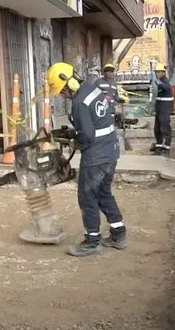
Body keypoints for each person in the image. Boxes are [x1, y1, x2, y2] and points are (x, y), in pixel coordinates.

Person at [47, 62, 127, 257]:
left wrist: (76, 142)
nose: (62, 95)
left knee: (87, 196)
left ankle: (92, 240)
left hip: (96, 157)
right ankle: (119, 233)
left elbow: (88, 136)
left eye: (62, 91)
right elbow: (95, 122)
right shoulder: (92, 89)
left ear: (68, 84)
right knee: (104, 194)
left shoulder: (79, 102)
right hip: (110, 151)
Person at [152, 63, 174, 157]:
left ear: (162, 72)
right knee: (157, 128)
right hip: (160, 108)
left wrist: (159, 83)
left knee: (164, 127)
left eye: (158, 72)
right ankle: (159, 145)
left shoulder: (164, 81)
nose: (156, 74)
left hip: (165, 109)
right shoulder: (160, 81)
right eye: (156, 72)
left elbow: (167, 87)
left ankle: (166, 147)